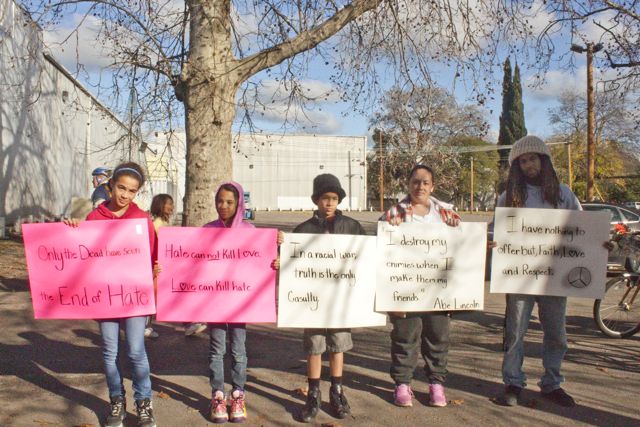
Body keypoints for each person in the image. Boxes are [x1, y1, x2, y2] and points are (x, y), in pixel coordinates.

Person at [64, 162, 158, 427]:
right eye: (121, 188)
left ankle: (144, 403)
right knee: (109, 351)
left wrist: (156, 270)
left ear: (137, 192)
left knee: (136, 351)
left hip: (134, 296)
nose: (125, 195)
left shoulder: (142, 219)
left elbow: (152, 256)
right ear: (111, 186)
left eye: (131, 190)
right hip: (104, 296)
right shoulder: (95, 218)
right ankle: (117, 401)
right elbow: (80, 251)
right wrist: (73, 228)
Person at [495, 135, 581, 408]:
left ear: (544, 160)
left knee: (556, 334)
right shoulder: (508, 197)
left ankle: (552, 383)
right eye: (522, 161)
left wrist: (599, 245)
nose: (528, 165)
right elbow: (497, 232)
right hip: (519, 277)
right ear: (516, 166)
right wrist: (494, 243)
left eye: (532, 159)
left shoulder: (564, 195)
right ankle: (513, 382)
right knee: (515, 332)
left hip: (555, 277)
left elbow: (582, 229)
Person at [381, 164, 460, 409]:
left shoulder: (447, 215)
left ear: (433, 186)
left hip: (438, 290)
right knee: (405, 337)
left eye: (425, 182)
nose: (420, 186)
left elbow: (464, 246)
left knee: (438, 337)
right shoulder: (393, 214)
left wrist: (481, 247)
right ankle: (402, 384)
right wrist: (389, 295)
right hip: (405, 290)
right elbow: (381, 251)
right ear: (408, 184)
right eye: (415, 181)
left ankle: (436, 384)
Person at [293, 173, 367, 423]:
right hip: (312, 300)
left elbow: (367, 255)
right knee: (314, 345)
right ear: (316, 200)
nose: (329, 203)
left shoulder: (353, 227)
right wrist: (283, 245)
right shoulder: (303, 230)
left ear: (339, 200)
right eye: (325, 198)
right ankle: (313, 393)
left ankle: (337, 390)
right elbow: (291, 261)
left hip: (341, 300)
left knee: (338, 344)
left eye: (334, 198)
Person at [204, 181, 255, 424]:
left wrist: (274, 258)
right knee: (216, 350)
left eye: (229, 202)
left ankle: (237, 395)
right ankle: (217, 395)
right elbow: (191, 261)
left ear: (239, 204)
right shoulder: (207, 230)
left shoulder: (249, 231)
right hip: (214, 302)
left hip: (239, 302)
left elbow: (259, 261)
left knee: (238, 350)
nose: (223, 206)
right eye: (220, 201)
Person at [144, 194, 175, 339]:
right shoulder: (157, 223)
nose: (171, 207)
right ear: (160, 205)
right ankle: (145, 326)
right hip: (157, 265)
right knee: (153, 296)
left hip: (161, 264)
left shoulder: (162, 222)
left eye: (171, 204)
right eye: (168, 204)